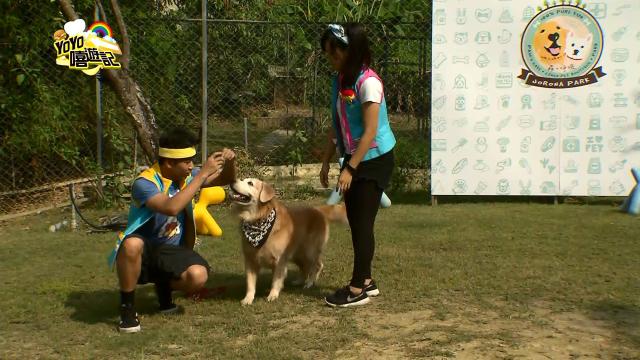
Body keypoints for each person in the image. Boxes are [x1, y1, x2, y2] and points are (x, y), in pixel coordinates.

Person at [108, 128, 236, 332]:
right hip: (144, 251)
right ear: (169, 163)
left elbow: (225, 180)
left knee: (198, 276)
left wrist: (230, 164)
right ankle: (127, 308)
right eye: (187, 162)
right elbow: (171, 207)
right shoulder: (145, 182)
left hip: (170, 251)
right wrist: (202, 174)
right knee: (132, 243)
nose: (191, 167)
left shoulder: (188, 176)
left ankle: (164, 288)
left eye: (192, 162)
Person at [319, 23, 396, 307]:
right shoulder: (341, 80)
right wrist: (327, 160)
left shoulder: (368, 83)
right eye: (328, 55)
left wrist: (350, 169)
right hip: (353, 158)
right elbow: (337, 123)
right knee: (357, 222)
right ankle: (366, 281)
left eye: (335, 55)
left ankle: (356, 289)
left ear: (350, 52)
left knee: (362, 223)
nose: (331, 60)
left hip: (373, 160)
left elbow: (370, 132)